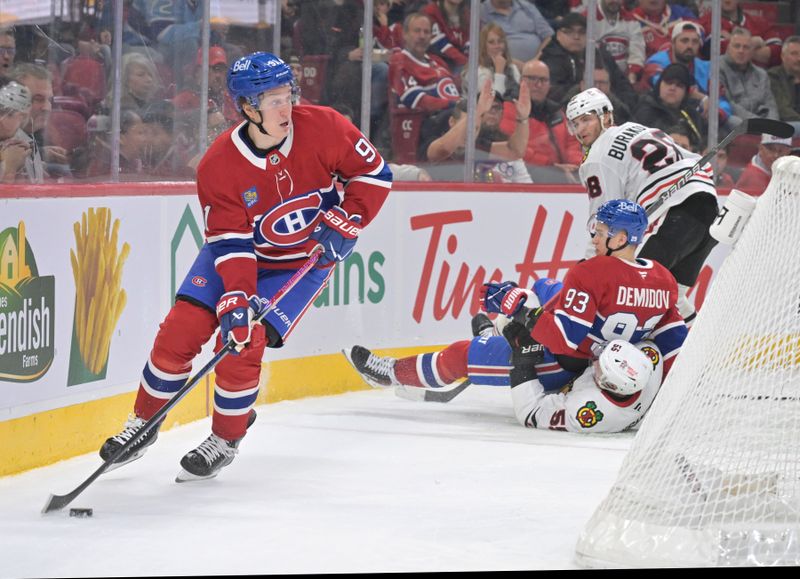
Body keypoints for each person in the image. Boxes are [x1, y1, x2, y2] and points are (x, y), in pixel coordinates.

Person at [99, 52, 392, 482]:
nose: (285, 107)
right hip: (236, 256)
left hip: (300, 264)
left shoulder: (326, 126)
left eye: (287, 95)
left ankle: (225, 438)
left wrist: (353, 216)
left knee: (245, 339)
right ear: (247, 108)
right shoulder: (219, 164)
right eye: (271, 100)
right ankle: (143, 422)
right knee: (181, 330)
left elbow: (374, 174)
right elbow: (232, 241)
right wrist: (236, 294)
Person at [343, 199, 686, 431]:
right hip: (605, 360)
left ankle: (391, 373)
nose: (594, 237)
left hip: (560, 363)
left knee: (461, 354)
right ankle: (498, 329)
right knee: (547, 284)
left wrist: (516, 306)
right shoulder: (663, 278)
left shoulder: (592, 272)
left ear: (622, 237)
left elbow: (560, 339)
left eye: (600, 232)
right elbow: (674, 343)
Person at [566, 87, 718, 326]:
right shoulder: (637, 129)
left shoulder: (596, 157)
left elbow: (604, 221)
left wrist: (586, 270)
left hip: (675, 216)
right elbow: (698, 165)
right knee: (672, 297)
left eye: (586, 119)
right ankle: (701, 354)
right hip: (708, 209)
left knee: (634, 296)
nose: (580, 129)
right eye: (575, 124)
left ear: (606, 116)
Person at [425, 78, 531, 182]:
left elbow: (515, 151)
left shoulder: (476, 147)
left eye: (475, 128)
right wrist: (478, 111)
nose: (469, 133)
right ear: (452, 122)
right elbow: (444, 148)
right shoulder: (434, 143)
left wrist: (522, 119)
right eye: (465, 126)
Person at [640, 20, 738, 130]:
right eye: (684, 41)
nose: (690, 46)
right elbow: (660, 83)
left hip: (698, 118)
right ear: (672, 42)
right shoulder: (656, 62)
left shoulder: (706, 68)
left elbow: (721, 99)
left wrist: (717, 113)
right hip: (660, 114)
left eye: (695, 41)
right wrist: (703, 98)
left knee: (734, 122)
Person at [497, 59, 582, 183]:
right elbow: (514, 147)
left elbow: (572, 143)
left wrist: (574, 166)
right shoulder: (509, 108)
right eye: (532, 79)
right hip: (526, 172)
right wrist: (552, 165)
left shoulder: (557, 111)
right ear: (521, 81)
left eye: (543, 80)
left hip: (562, 172)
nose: (538, 84)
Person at [388, 12, 460, 112]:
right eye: (417, 31)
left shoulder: (437, 61)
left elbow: (456, 88)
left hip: (452, 114)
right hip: (424, 121)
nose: (422, 36)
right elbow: (416, 99)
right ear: (405, 34)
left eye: (426, 32)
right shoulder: (399, 61)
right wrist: (453, 105)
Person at [633, 62, 705, 151]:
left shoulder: (692, 115)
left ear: (685, 92)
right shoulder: (645, 109)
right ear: (659, 84)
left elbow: (701, 143)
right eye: (668, 82)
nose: (672, 88)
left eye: (679, 85)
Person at [718, 27, 779, 123]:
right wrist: (758, 122)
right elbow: (728, 104)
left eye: (746, 47)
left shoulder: (761, 74)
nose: (741, 51)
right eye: (737, 46)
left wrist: (773, 125)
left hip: (763, 123)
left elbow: (770, 105)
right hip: (736, 122)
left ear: (752, 52)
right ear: (728, 48)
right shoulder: (717, 68)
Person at [479, 0, 554, 64]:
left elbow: (549, 36)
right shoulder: (482, 11)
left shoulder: (527, 6)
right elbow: (485, 46)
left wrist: (536, 60)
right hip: (504, 67)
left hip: (538, 64)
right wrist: (514, 64)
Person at [461, 22, 521, 101]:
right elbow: (492, 101)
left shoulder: (512, 68)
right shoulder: (476, 72)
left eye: (500, 41)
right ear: (483, 46)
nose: (497, 46)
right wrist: (499, 72)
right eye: (491, 42)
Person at [0, 80, 42, 183]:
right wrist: (9, 169)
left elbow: (36, 193)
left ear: (23, 117)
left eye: (7, 114)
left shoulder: (23, 143)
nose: (1, 119)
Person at [768, 36, 800, 137]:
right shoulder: (773, 76)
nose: (799, 58)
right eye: (794, 54)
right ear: (783, 56)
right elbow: (783, 109)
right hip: (785, 123)